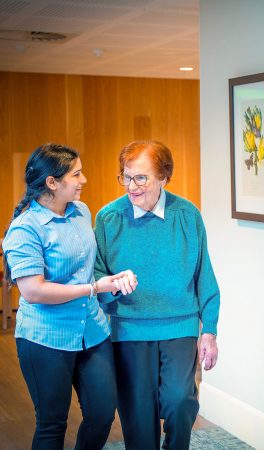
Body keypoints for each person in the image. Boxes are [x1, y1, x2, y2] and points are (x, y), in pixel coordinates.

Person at [2, 143, 138, 450]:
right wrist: (93, 289)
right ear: (52, 182)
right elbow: (33, 291)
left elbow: (86, 270)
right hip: (44, 340)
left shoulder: (81, 212)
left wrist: (108, 281)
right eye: (76, 174)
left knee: (102, 414)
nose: (83, 179)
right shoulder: (25, 228)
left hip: (92, 331)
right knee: (52, 424)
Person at [94, 140, 220, 450]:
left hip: (180, 326)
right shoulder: (109, 218)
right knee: (138, 419)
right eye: (126, 176)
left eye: (141, 177)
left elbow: (204, 276)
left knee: (180, 402)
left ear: (163, 176)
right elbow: (96, 276)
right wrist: (111, 285)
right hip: (129, 329)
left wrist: (211, 331)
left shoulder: (187, 215)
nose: (131, 186)